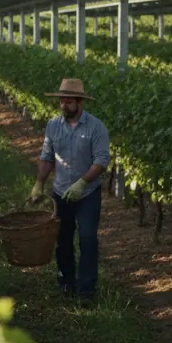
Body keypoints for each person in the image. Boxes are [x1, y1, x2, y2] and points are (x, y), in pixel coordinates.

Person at [29, 78, 110, 305]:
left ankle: (86, 290)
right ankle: (66, 282)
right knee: (62, 240)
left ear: (80, 103)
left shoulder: (96, 127)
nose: (64, 106)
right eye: (62, 102)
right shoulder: (53, 125)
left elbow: (102, 160)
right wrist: (39, 184)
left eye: (69, 102)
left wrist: (82, 183)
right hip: (61, 192)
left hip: (87, 193)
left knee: (87, 239)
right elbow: (47, 156)